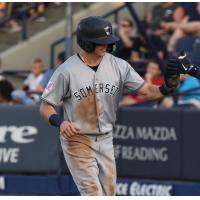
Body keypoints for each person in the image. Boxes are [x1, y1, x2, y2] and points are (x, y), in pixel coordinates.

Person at [39, 16, 180, 196]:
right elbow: (45, 107)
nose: (105, 45)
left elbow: (147, 91)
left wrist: (168, 86)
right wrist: (60, 122)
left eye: (108, 41)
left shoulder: (119, 65)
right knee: (93, 193)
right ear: (87, 42)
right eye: (100, 42)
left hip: (106, 137)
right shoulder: (66, 70)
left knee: (109, 194)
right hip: (78, 138)